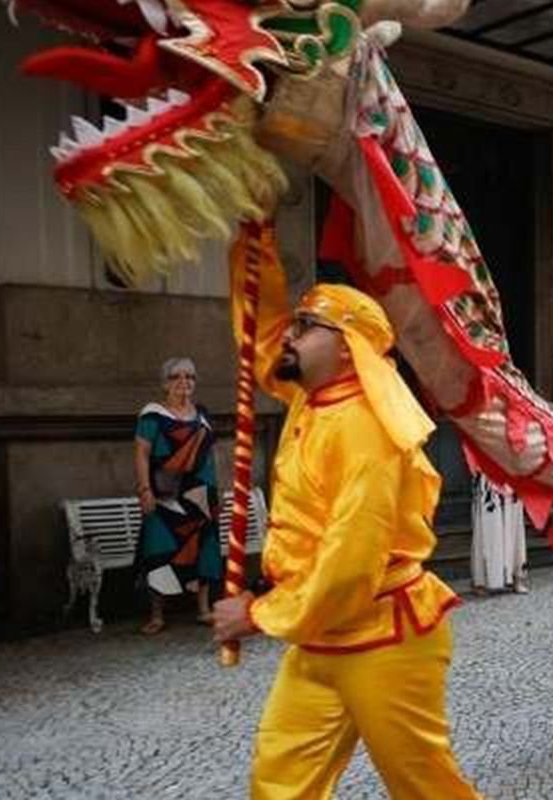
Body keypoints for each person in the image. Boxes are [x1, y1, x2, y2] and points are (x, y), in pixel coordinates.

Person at [209, 258, 480, 799]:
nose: (290, 335)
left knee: (427, 789)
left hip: (384, 638)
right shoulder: (311, 398)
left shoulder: (366, 428)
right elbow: (261, 343)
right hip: (320, 639)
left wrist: (260, 613)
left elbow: (350, 561)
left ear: (347, 347)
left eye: (306, 326)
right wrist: (253, 248)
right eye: (295, 322)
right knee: (278, 786)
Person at [132, 356, 222, 634]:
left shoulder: (203, 413)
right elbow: (142, 453)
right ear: (165, 383)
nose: (184, 382)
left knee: (204, 546)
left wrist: (219, 487)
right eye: (176, 376)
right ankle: (157, 614)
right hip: (165, 492)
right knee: (159, 548)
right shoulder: (152, 414)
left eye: (190, 376)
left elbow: (212, 452)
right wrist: (144, 489)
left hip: (201, 492)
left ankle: (204, 609)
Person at [471, 477, 527, 595]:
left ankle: (517, 576)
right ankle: (481, 580)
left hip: (511, 470)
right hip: (486, 472)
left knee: (514, 523)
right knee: (488, 525)